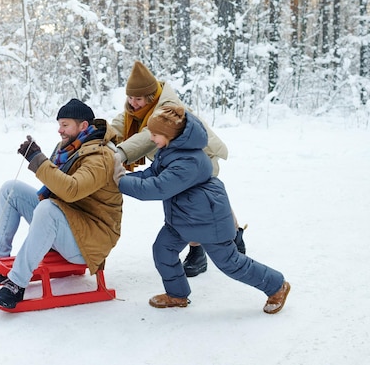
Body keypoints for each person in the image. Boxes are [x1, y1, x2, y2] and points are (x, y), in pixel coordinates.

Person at [113, 104, 290, 313]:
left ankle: (276, 285)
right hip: (181, 218)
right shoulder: (169, 151)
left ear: (169, 135)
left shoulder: (189, 161)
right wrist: (121, 178)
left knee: (231, 263)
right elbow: (152, 174)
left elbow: (158, 188)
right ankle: (176, 295)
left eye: (154, 134)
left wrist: (120, 181)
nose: (151, 139)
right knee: (163, 250)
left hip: (207, 221)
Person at [0, 99, 123, 309]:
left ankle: (16, 284)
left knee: (48, 209)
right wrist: (39, 160)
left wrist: (38, 160)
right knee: (11, 189)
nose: (59, 130)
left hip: (90, 241)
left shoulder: (100, 157)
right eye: (59, 124)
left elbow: (71, 190)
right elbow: (55, 186)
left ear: (83, 126)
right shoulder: (69, 148)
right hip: (69, 223)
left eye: (65, 125)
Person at [111, 60, 246, 277]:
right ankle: (234, 233)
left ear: (151, 97)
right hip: (175, 161)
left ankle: (197, 252)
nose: (133, 103)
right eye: (130, 97)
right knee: (209, 203)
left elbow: (147, 136)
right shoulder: (135, 111)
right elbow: (118, 125)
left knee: (191, 205)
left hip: (200, 158)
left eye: (138, 99)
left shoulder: (166, 107)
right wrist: (97, 135)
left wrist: (120, 153)